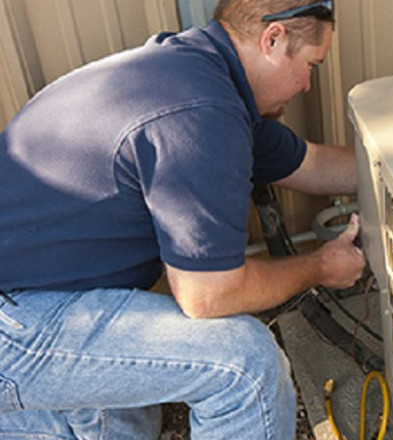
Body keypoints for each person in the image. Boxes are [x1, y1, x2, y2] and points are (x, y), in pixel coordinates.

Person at [0, 0, 365, 438]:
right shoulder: (200, 112)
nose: (307, 85)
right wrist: (320, 267)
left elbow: (313, 165)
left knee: (129, 419)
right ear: (274, 39)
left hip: (37, 300)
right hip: (15, 325)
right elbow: (208, 296)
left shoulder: (194, 76)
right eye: (311, 65)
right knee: (245, 366)